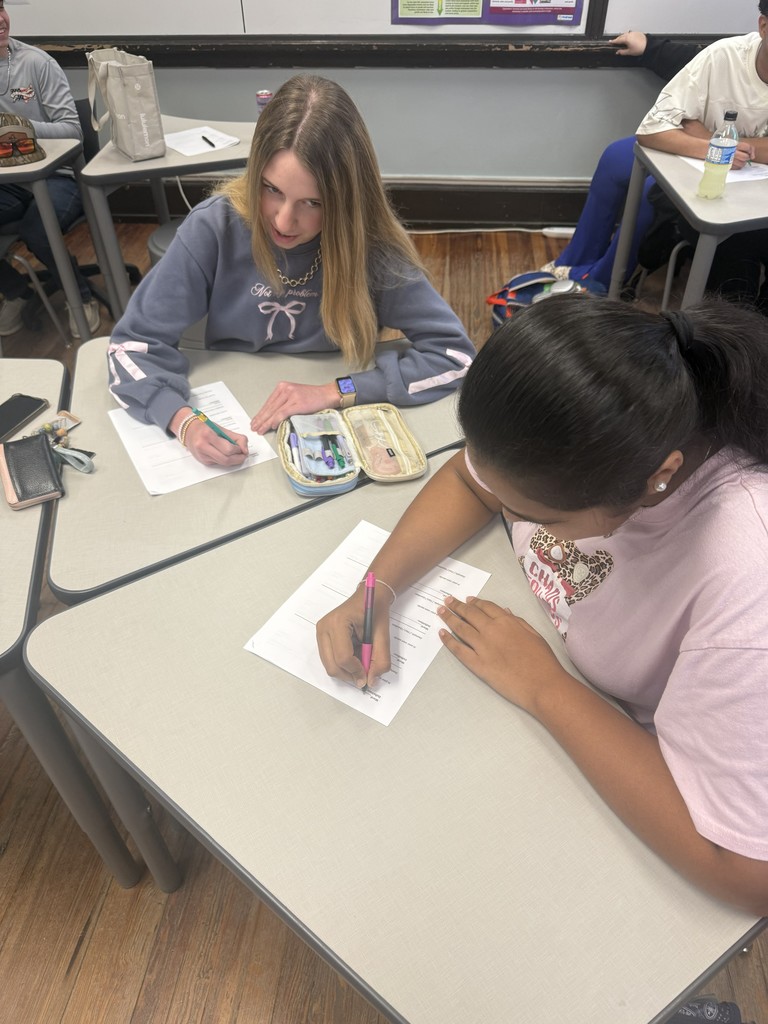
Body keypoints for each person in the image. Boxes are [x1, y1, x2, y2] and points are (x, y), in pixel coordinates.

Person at [317, 292, 768, 917]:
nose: (507, 511)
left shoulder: (745, 583)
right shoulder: (598, 424)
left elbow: (748, 875)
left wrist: (543, 686)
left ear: (654, 480)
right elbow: (472, 480)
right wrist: (374, 589)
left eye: (536, 518)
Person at [107, 74, 475, 467]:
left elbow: (456, 357)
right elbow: (130, 346)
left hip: (333, 420)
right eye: (271, 189)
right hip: (236, 415)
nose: (284, 221)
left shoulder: (369, 246)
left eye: (312, 203)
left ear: (345, 200)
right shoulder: (215, 227)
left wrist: (339, 390)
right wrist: (182, 421)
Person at [541, 31, 703, 291]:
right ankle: (576, 259)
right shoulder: (744, 50)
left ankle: (602, 282)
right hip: (702, 139)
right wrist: (651, 47)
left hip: (741, 166)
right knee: (616, 158)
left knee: (654, 189)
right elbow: (703, 63)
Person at [637, 2, 768, 310]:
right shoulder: (724, 57)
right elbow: (651, 130)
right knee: (734, 264)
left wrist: (706, 134)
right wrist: (716, 148)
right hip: (709, 199)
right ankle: (727, 346)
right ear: (763, 26)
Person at [0, 0, 100, 339]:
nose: (1, 19)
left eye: (0, 8)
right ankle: (16, 290)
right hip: (9, 178)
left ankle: (80, 298)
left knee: (38, 230)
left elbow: (71, 130)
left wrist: (15, 126)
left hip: (58, 174)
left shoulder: (36, 63)